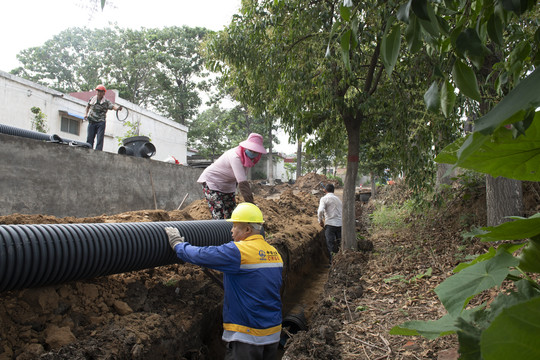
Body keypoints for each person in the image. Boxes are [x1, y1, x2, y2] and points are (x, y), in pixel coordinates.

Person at [165, 202, 283, 360]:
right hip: (273, 334)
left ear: (247, 229)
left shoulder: (239, 251)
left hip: (248, 335)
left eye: (235, 226)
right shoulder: (274, 253)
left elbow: (202, 254)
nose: (231, 231)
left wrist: (178, 245)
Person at [198, 133, 267, 219]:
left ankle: (230, 232)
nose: (253, 153)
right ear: (245, 148)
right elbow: (242, 182)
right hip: (212, 181)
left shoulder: (248, 160)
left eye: (255, 152)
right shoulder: (235, 156)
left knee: (231, 214)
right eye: (251, 150)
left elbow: (239, 179)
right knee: (219, 213)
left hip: (227, 185)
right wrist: (251, 204)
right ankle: (219, 232)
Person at [83, 84, 122, 151]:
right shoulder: (92, 99)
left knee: (100, 139)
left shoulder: (106, 102)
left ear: (104, 93)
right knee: (90, 138)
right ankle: (88, 150)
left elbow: (112, 106)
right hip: (92, 121)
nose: (99, 93)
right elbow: (88, 106)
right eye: (98, 91)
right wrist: (86, 114)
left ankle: (98, 152)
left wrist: (118, 108)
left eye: (101, 91)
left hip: (100, 122)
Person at [317, 183, 342, 264]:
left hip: (330, 225)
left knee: (330, 244)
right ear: (333, 190)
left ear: (325, 190)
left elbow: (320, 210)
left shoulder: (324, 199)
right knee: (339, 244)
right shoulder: (338, 199)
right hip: (340, 224)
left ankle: (333, 263)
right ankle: (340, 262)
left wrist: (320, 220)